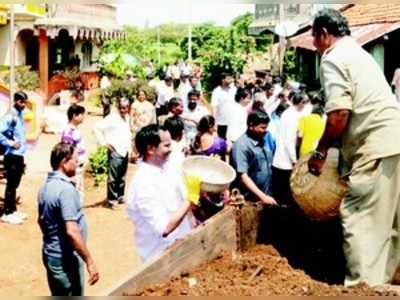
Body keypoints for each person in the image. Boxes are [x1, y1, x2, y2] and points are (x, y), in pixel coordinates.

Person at [308, 8, 400, 287]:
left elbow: (338, 114)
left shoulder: (333, 58)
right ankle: (388, 283)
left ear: (324, 34)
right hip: (393, 140)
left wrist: (320, 152)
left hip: (373, 147)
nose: (314, 45)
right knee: (388, 224)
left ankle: (364, 289)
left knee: (360, 218)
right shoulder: (361, 54)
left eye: (314, 38)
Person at [126, 124, 195, 261]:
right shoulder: (143, 183)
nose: (171, 149)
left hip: (182, 248)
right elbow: (164, 228)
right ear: (151, 149)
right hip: (160, 258)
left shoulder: (168, 167)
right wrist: (191, 198)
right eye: (167, 145)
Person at [38, 143, 99, 296]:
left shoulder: (44, 187)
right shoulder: (66, 190)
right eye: (75, 160)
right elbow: (72, 231)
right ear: (64, 162)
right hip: (66, 259)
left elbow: (41, 221)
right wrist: (89, 261)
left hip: (52, 255)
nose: (78, 164)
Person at [230, 111, 277, 206]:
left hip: (265, 194)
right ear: (251, 126)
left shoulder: (261, 138)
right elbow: (243, 176)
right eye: (262, 128)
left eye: (266, 127)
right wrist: (263, 197)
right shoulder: (241, 146)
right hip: (250, 199)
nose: (265, 131)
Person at [93, 98, 132, 208]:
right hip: (115, 151)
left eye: (125, 108)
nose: (123, 110)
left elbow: (127, 133)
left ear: (128, 108)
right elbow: (96, 127)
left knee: (122, 176)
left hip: (125, 150)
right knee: (113, 177)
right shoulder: (112, 118)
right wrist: (104, 143)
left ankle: (120, 195)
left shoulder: (127, 117)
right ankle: (112, 199)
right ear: (118, 107)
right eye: (121, 108)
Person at [272, 92, 306, 206]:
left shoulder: (288, 113)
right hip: (285, 160)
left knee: (280, 192)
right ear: (301, 103)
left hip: (280, 157)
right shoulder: (293, 116)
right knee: (285, 193)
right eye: (304, 103)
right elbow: (289, 141)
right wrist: (294, 160)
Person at [0, 91, 28, 224]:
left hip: (19, 155)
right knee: (10, 185)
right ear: (16, 101)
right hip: (11, 155)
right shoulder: (10, 116)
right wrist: (10, 143)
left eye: (25, 102)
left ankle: (13, 209)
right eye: (22, 102)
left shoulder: (19, 115)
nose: (24, 105)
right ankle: (7, 212)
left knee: (15, 184)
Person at [61, 104, 87, 203]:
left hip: (79, 166)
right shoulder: (69, 131)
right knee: (73, 189)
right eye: (81, 114)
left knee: (79, 190)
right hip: (74, 166)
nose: (83, 117)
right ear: (74, 116)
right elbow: (67, 151)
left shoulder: (74, 129)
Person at [211, 73, 237, 140]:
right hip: (221, 122)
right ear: (223, 79)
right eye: (228, 78)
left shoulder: (234, 90)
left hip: (232, 122)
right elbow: (214, 107)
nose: (230, 80)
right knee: (221, 142)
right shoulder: (217, 91)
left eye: (231, 78)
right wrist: (214, 122)